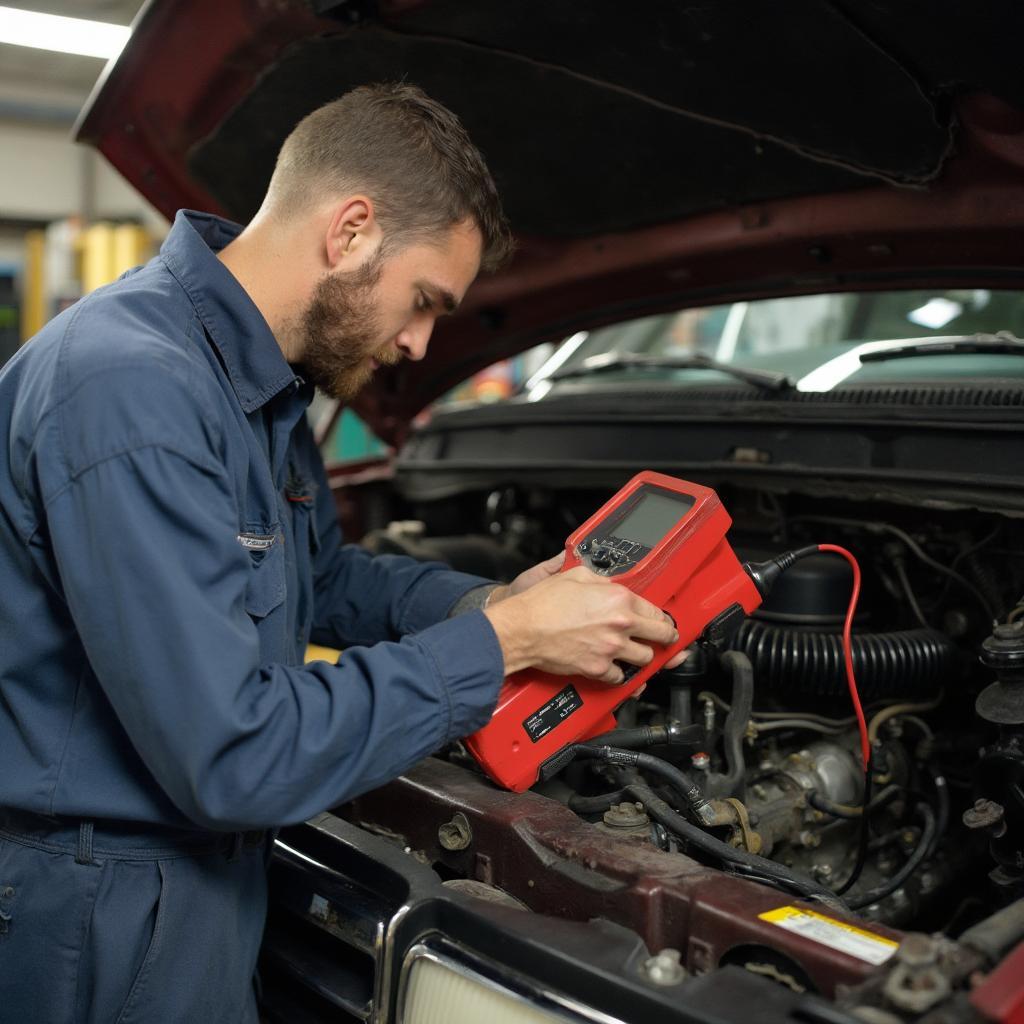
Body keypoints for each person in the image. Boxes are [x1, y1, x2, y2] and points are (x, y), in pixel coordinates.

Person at [0, 84, 680, 1022]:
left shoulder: (257, 381)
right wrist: (507, 648)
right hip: (103, 905)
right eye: (424, 302)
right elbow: (237, 755)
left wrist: (483, 607)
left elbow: (314, 580)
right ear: (351, 230)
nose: (417, 342)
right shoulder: (133, 389)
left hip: (194, 875)